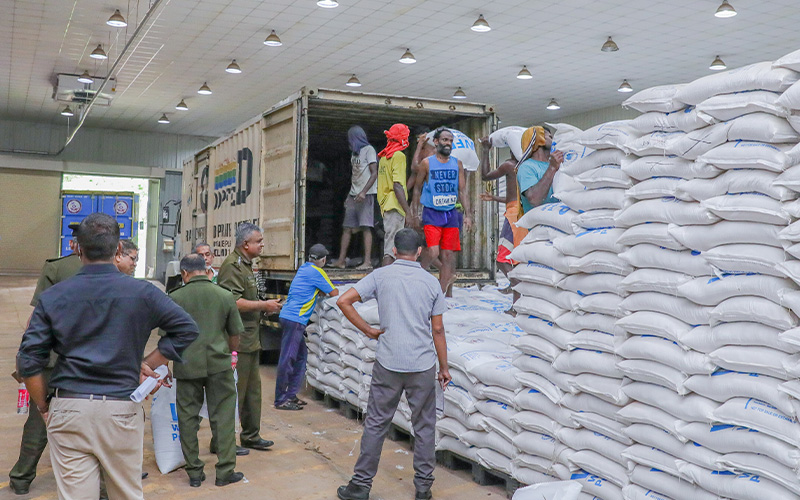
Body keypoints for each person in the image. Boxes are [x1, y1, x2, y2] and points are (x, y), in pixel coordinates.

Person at [17, 212, 199, 500]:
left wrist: (43, 407)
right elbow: (186, 329)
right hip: (121, 409)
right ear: (117, 251)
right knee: (126, 493)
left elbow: (29, 359)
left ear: (78, 248)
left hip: (69, 407)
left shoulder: (53, 297)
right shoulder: (144, 293)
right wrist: (150, 363)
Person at [336, 229, 450, 500]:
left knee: (376, 423)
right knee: (424, 426)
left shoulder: (380, 275)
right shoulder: (431, 282)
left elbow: (344, 300)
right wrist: (444, 368)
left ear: (394, 251)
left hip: (388, 363)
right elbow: (437, 330)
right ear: (420, 251)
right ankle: (423, 488)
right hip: (421, 365)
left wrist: (368, 330)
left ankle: (361, 486)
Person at [9, 223, 82, 496]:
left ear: (74, 244)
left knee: (39, 421)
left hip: (53, 359)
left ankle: (21, 478)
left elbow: (36, 319)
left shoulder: (56, 268)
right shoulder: (110, 270)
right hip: (91, 362)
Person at [167, 254, 245, 488]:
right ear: (206, 270)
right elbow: (235, 334)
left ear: (184, 273)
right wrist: (231, 354)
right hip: (219, 365)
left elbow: (167, 337)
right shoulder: (224, 295)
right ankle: (224, 472)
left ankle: (194, 472)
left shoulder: (175, 298)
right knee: (222, 417)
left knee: (187, 419)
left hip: (187, 365)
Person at [217, 222, 282, 451]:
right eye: (259, 241)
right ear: (246, 244)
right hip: (238, 341)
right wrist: (263, 304)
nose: (262, 245)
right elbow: (232, 302)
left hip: (251, 340)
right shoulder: (232, 266)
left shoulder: (246, 265)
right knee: (234, 394)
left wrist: (262, 306)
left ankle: (251, 435)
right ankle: (222, 441)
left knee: (252, 394)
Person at [275, 244, 339, 410]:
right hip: (295, 319)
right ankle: (281, 399)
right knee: (288, 358)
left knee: (301, 357)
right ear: (323, 260)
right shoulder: (317, 272)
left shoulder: (304, 268)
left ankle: (290, 395)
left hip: (288, 316)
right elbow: (334, 293)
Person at [413, 127, 472, 296]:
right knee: (432, 252)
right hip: (432, 212)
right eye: (445, 140)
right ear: (437, 142)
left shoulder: (457, 164)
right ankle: (418, 274)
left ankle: (441, 293)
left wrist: (468, 215)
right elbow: (417, 189)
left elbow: (462, 191)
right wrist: (415, 213)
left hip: (452, 214)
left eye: (451, 141)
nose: (448, 143)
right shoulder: (427, 163)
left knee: (448, 256)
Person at [477, 136, 520, 290]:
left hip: (513, 215)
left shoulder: (510, 165)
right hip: (524, 214)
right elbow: (515, 197)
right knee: (518, 257)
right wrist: (494, 197)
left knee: (502, 259)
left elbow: (485, 175)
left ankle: (518, 287)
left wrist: (485, 150)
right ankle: (515, 289)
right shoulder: (532, 165)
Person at [333, 126, 378, 270]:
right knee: (347, 227)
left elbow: (374, 173)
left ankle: (367, 262)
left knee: (366, 227)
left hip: (366, 194)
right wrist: (349, 196)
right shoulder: (354, 153)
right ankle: (341, 260)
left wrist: (364, 192)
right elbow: (355, 177)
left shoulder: (369, 150)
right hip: (354, 194)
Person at [376, 123, 412, 267]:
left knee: (391, 245)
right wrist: (408, 212)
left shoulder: (384, 156)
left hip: (386, 205)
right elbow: (397, 186)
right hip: (395, 206)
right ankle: (385, 282)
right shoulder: (398, 156)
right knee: (391, 249)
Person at [517, 126, 563, 214]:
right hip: (541, 226)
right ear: (540, 139)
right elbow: (534, 199)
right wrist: (552, 168)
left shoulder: (557, 164)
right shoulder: (526, 167)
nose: (553, 140)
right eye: (550, 136)